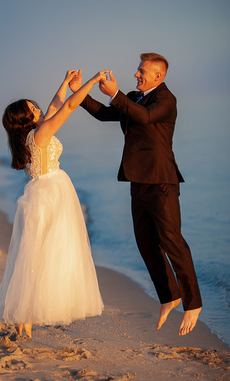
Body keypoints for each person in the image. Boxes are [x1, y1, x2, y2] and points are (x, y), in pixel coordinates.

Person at [69, 53, 202, 336]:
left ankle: (193, 303)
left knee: (172, 241)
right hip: (137, 181)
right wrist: (79, 92)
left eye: (142, 72)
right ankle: (170, 296)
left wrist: (116, 93)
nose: (136, 75)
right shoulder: (133, 97)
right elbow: (105, 114)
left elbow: (145, 117)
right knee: (145, 242)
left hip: (162, 182)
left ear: (159, 76)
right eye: (137, 70)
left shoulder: (166, 100)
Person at [0, 70, 105, 338]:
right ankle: (27, 318)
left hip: (38, 194)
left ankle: (24, 319)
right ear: (27, 118)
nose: (41, 109)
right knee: (49, 255)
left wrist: (65, 83)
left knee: (33, 256)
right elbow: (68, 106)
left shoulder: (27, 138)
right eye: (34, 109)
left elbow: (57, 105)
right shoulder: (41, 133)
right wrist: (91, 82)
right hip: (51, 194)